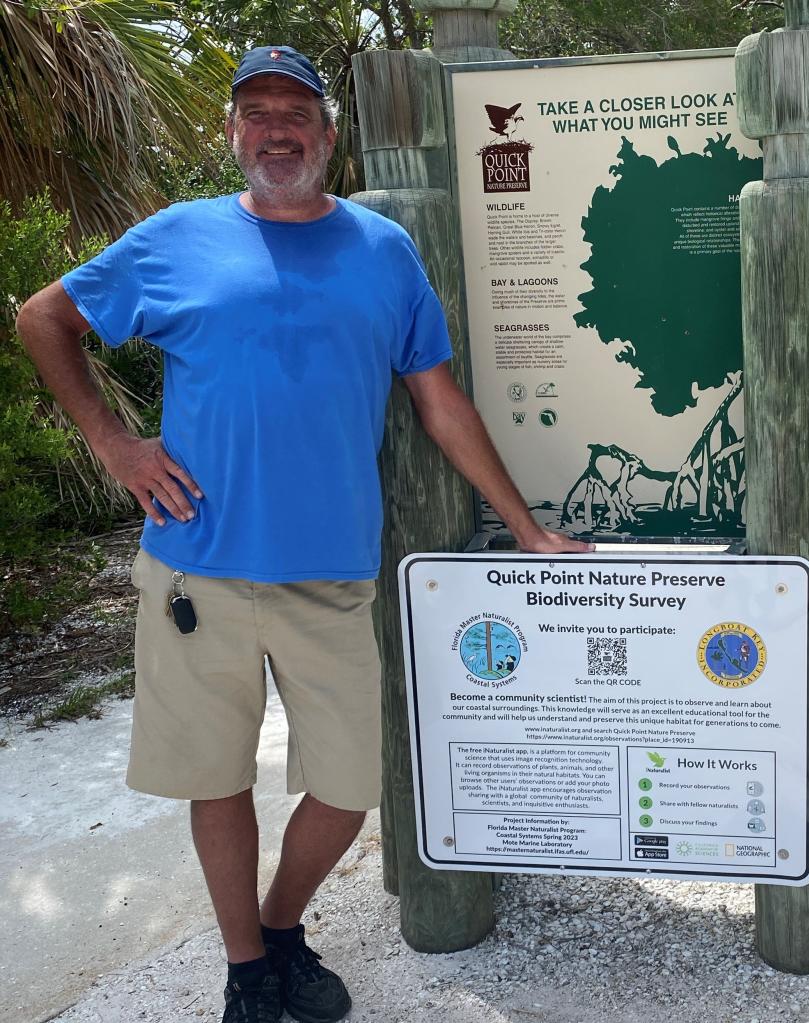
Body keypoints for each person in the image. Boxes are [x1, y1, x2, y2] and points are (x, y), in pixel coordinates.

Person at [17, 45, 588, 1023]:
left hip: (332, 576)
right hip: (197, 571)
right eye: (258, 113)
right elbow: (42, 318)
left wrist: (526, 526)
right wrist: (114, 443)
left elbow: (439, 401)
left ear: (326, 136)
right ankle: (248, 970)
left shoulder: (381, 250)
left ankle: (281, 924)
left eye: (296, 114)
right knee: (217, 780)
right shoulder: (174, 239)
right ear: (233, 133)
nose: (277, 129)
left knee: (348, 786)